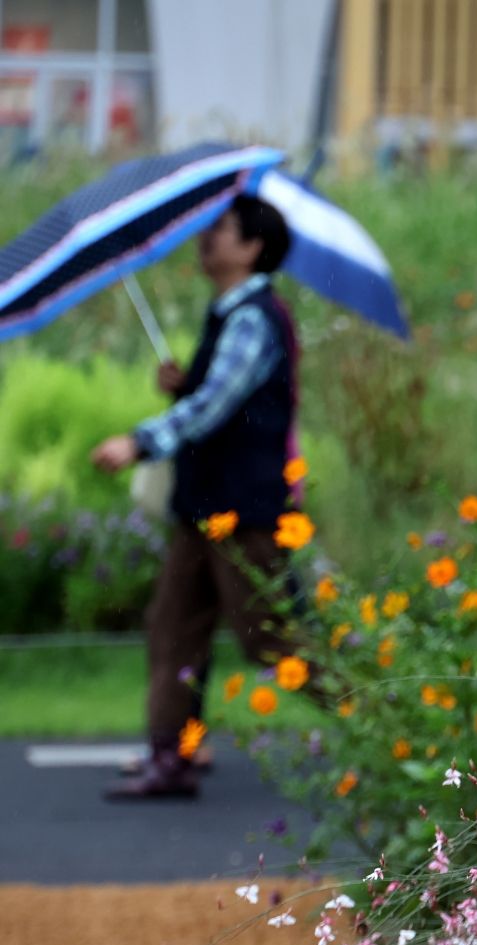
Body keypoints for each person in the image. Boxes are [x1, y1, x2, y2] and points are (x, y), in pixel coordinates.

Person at [89, 194, 308, 801]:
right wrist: (183, 385)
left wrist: (140, 441)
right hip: (207, 508)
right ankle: (172, 756)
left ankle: (389, 727)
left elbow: (214, 408)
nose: (207, 238)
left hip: (242, 512)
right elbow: (218, 398)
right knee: (173, 628)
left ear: (252, 247)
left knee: (273, 640)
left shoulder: (253, 317)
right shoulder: (232, 314)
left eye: (221, 229)